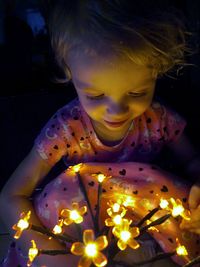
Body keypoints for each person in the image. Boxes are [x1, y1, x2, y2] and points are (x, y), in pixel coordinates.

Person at [0, 1, 200, 266]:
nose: (116, 111)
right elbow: (11, 195)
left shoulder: (159, 119)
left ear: (157, 71)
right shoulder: (65, 130)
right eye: (95, 95)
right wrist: (49, 254)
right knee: (50, 199)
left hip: (145, 223)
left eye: (137, 92)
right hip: (82, 225)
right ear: (69, 71)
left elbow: (192, 162)